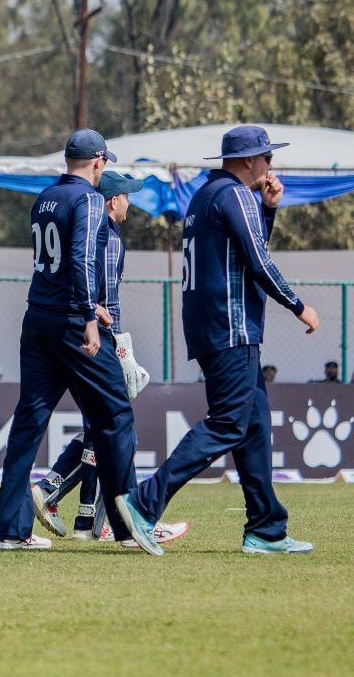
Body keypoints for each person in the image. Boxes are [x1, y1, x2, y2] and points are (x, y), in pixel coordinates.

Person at [117, 126, 317, 555]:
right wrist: (299, 305)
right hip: (232, 327)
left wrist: (268, 210)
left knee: (255, 425)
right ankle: (143, 503)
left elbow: (244, 246)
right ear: (248, 161)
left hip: (211, 327)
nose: (270, 165)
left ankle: (266, 528)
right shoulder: (234, 194)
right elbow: (259, 260)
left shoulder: (206, 195)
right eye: (266, 157)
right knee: (229, 423)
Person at [0, 129, 144, 552]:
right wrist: (90, 314)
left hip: (36, 316)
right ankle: (131, 528)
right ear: (97, 162)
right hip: (72, 322)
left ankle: (8, 530)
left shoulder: (45, 196)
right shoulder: (91, 200)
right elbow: (80, 258)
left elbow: (52, 263)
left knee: (28, 423)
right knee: (116, 415)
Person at [29, 171, 187, 546]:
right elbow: (106, 299)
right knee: (116, 429)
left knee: (104, 428)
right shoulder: (110, 238)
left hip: (67, 329)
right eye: (127, 197)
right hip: (94, 338)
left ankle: (89, 518)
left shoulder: (88, 226)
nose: (130, 203)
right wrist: (120, 348)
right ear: (113, 201)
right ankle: (119, 516)